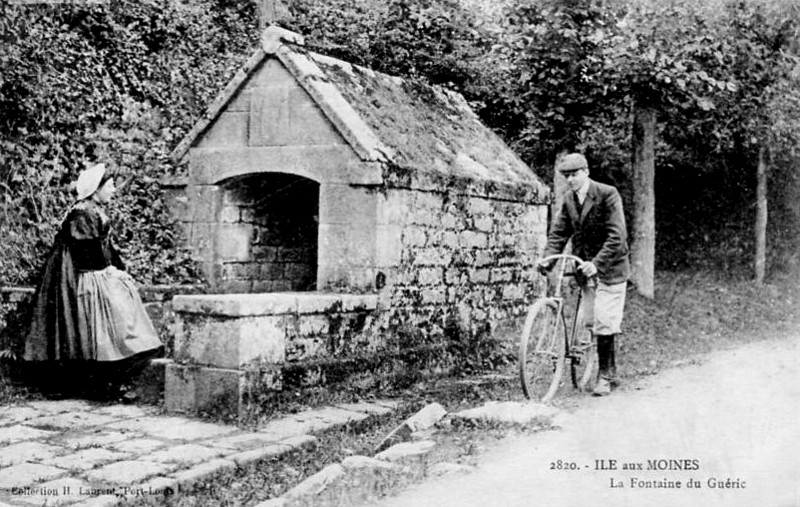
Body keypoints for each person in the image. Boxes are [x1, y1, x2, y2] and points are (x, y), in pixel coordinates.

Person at [23, 163, 163, 397]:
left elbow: (103, 247)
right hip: (73, 273)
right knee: (104, 310)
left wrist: (118, 268)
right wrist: (111, 271)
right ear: (96, 189)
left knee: (121, 293)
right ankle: (103, 375)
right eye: (109, 185)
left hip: (88, 267)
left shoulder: (93, 210)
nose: (113, 190)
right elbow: (87, 251)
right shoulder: (83, 213)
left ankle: (111, 372)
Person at [537, 153, 630, 396]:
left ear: (586, 172)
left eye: (574, 174)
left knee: (604, 320)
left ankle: (606, 376)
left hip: (610, 269)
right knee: (591, 321)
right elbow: (559, 233)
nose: (570, 180)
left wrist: (596, 263)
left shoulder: (607, 194)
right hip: (585, 270)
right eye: (566, 176)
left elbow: (617, 237)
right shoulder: (569, 199)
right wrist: (549, 259)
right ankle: (600, 368)